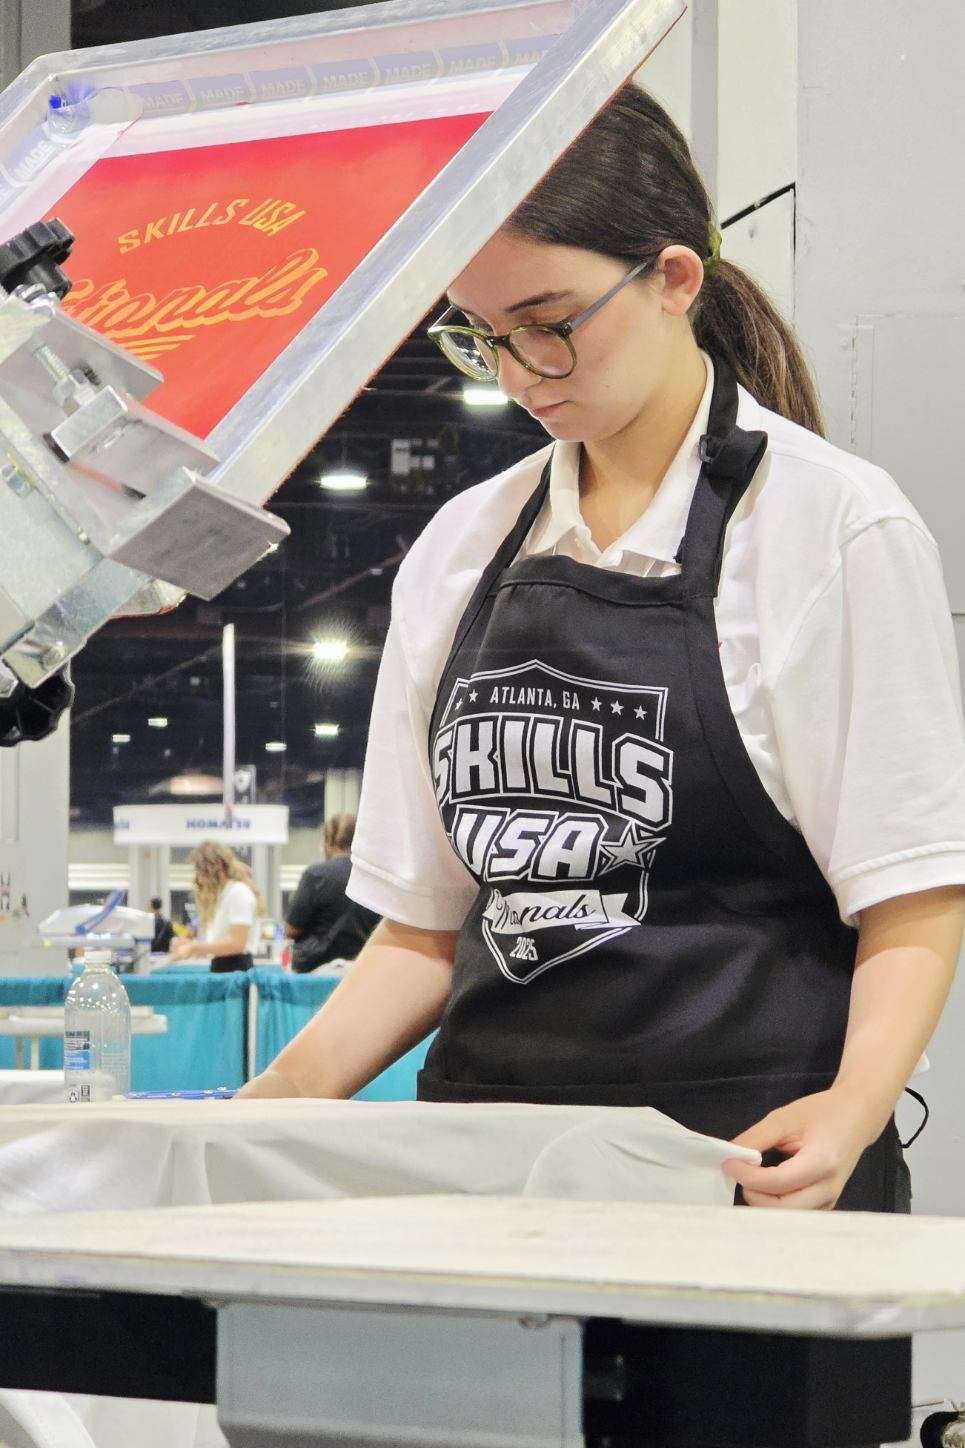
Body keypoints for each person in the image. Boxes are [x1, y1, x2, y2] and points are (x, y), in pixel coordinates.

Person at [239, 83, 965, 1215]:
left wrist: (852, 1104)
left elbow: (913, 893)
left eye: (549, 321)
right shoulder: (461, 545)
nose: (519, 373)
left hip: (741, 1172)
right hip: (491, 1178)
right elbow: (421, 932)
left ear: (675, 278)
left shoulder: (828, 527)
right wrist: (273, 1101)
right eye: (480, 336)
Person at [285, 814, 379, 972]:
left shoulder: (315, 874)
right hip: (362, 969)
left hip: (316, 970)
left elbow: (291, 929)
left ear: (328, 842)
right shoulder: (373, 876)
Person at [171, 841, 264, 972]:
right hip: (222, 966)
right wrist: (191, 945)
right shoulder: (222, 896)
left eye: (200, 869)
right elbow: (220, 941)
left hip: (237, 969)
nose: (198, 878)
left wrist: (195, 948)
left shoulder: (239, 893)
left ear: (218, 866)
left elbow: (237, 943)